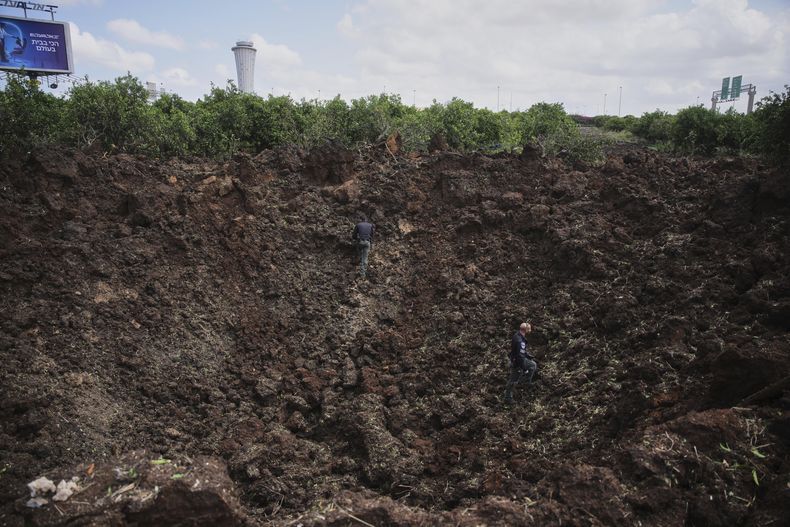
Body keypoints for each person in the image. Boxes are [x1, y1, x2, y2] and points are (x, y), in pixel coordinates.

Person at [504, 322, 537, 404]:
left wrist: (527, 355)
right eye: (529, 329)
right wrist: (523, 367)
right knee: (513, 380)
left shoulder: (517, 335)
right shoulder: (520, 341)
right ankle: (508, 398)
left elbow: (520, 352)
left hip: (517, 359)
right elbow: (519, 355)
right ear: (526, 330)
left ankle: (525, 381)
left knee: (533, 365)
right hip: (518, 362)